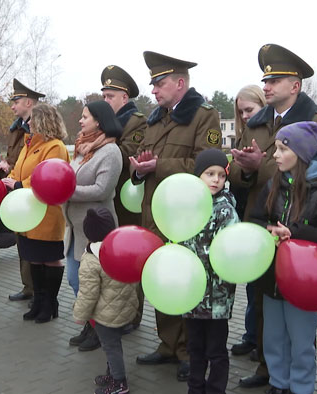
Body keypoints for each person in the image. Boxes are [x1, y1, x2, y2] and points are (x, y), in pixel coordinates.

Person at [229, 44, 317, 390]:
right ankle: (270, 371)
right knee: (264, 309)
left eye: (275, 79)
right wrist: (245, 171)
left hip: (302, 244)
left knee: (299, 324)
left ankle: (298, 379)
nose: (267, 85)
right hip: (263, 231)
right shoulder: (256, 123)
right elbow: (238, 176)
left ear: (296, 85)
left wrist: (263, 165)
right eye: (265, 79)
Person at [130, 51, 221, 382]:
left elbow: (206, 165)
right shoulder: (154, 118)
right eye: (153, 84)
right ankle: (168, 343)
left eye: (160, 83)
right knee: (160, 276)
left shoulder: (203, 116)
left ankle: (188, 352)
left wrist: (159, 165)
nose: (154, 90)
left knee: (183, 279)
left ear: (180, 83)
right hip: (155, 212)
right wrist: (138, 170)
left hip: (185, 216)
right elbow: (144, 162)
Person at [248, 121, 317, 394]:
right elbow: (256, 220)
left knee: (301, 342)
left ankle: (301, 387)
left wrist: (297, 233)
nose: (275, 155)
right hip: (272, 279)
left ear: (300, 155)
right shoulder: (272, 185)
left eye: (281, 149)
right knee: (273, 338)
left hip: (304, 282)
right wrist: (267, 232)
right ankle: (279, 384)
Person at [65, 101, 123, 351]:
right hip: (75, 228)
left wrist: (66, 191)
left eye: (85, 116)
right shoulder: (81, 147)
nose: (80, 120)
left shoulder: (110, 152)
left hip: (95, 231)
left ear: (99, 120)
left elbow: (103, 189)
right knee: (74, 280)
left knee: (90, 285)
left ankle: (100, 331)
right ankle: (91, 324)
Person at [2, 103, 68, 324]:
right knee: (34, 260)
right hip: (28, 214)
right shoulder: (29, 144)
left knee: (49, 259)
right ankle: (39, 301)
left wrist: (19, 184)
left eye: (32, 119)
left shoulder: (55, 147)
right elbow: (19, 169)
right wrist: (10, 179)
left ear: (43, 121)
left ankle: (50, 303)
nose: (28, 123)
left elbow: (49, 176)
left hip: (46, 214)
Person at [181, 148, 240, 394]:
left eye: (221, 175)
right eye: (209, 174)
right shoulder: (187, 205)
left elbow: (229, 250)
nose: (216, 179)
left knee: (216, 350)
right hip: (192, 295)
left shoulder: (225, 210)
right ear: (198, 176)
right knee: (194, 348)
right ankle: (195, 388)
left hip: (217, 298)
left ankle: (216, 390)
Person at [101, 65, 147, 331]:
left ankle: (134, 314)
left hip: (127, 204)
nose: (105, 101)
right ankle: (116, 313)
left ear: (124, 98)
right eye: (104, 96)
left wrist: (100, 144)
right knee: (111, 261)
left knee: (131, 260)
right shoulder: (106, 124)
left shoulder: (136, 122)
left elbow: (126, 153)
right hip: (108, 201)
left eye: (110, 96)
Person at [73, 207, 139, 394]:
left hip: (105, 315)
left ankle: (119, 383)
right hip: (123, 308)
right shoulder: (122, 249)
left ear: (88, 233)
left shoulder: (91, 259)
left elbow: (88, 294)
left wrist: (80, 315)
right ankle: (112, 374)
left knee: (111, 347)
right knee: (113, 344)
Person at [228, 84, 266, 359]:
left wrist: (255, 167)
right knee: (252, 286)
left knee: (262, 288)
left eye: (249, 110)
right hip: (245, 215)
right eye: (240, 111)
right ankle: (251, 335)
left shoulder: (268, 134)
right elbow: (235, 175)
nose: (243, 116)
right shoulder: (244, 136)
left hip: (264, 214)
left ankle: (259, 340)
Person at [4, 79, 46, 303]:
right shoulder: (18, 127)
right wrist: (8, 168)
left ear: (29, 102)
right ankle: (28, 286)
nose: (13, 106)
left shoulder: (41, 129)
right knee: (22, 241)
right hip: (17, 190)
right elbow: (17, 158)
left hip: (32, 194)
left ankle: (38, 290)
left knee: (35, 245)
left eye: (16, 101)